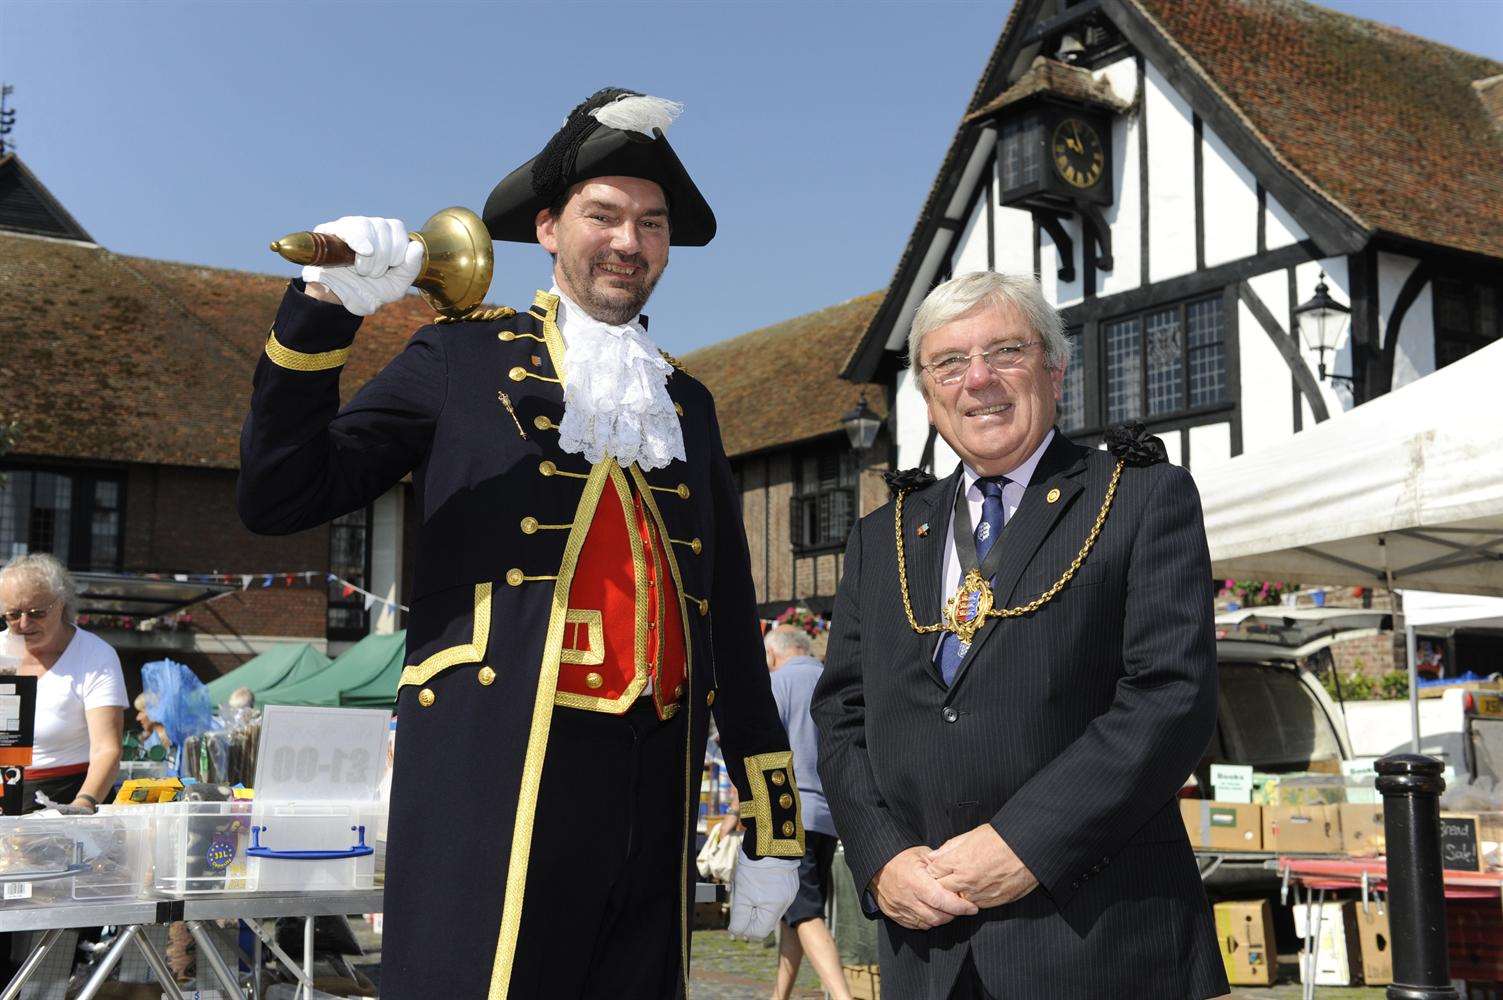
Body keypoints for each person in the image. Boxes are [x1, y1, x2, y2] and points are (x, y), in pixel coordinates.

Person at [238, 88, 801, 1000]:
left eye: (651, 224)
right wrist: (321, 313)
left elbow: (727, 619)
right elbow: (280, 495)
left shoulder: (685, 403)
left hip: (651, 789)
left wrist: (774, 830)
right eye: (604, 216)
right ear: (547, 227)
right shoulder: (462, 359)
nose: (629, 242)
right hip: (494, 777)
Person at [811, 272, 1227, 999]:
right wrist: (881, 858)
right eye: (949, 363)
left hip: (1097, 943)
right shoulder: (882, 538)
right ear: (928, 392)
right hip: (927, 944)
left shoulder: (1137, 498)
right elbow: (843, 714)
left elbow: (1169, 697)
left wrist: (1025, 843)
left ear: (1054, 368)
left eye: (1004, 352)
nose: (978, 380)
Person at [763, 626, 853, 1000]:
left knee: (805, 912)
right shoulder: (831, 680)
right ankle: (778, 996)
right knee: (796, 912)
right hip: (828, 817)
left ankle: (842, 996)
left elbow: (760, 751)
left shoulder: (778, 684)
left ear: (773, 654)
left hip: (788, 816)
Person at [0, 553, 125, 813]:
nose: (23, 624)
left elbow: (107, 748)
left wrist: (83, 803)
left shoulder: (95, 655)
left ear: (60, 603)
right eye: (12, 615)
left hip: (66, 793)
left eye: (36, 613)